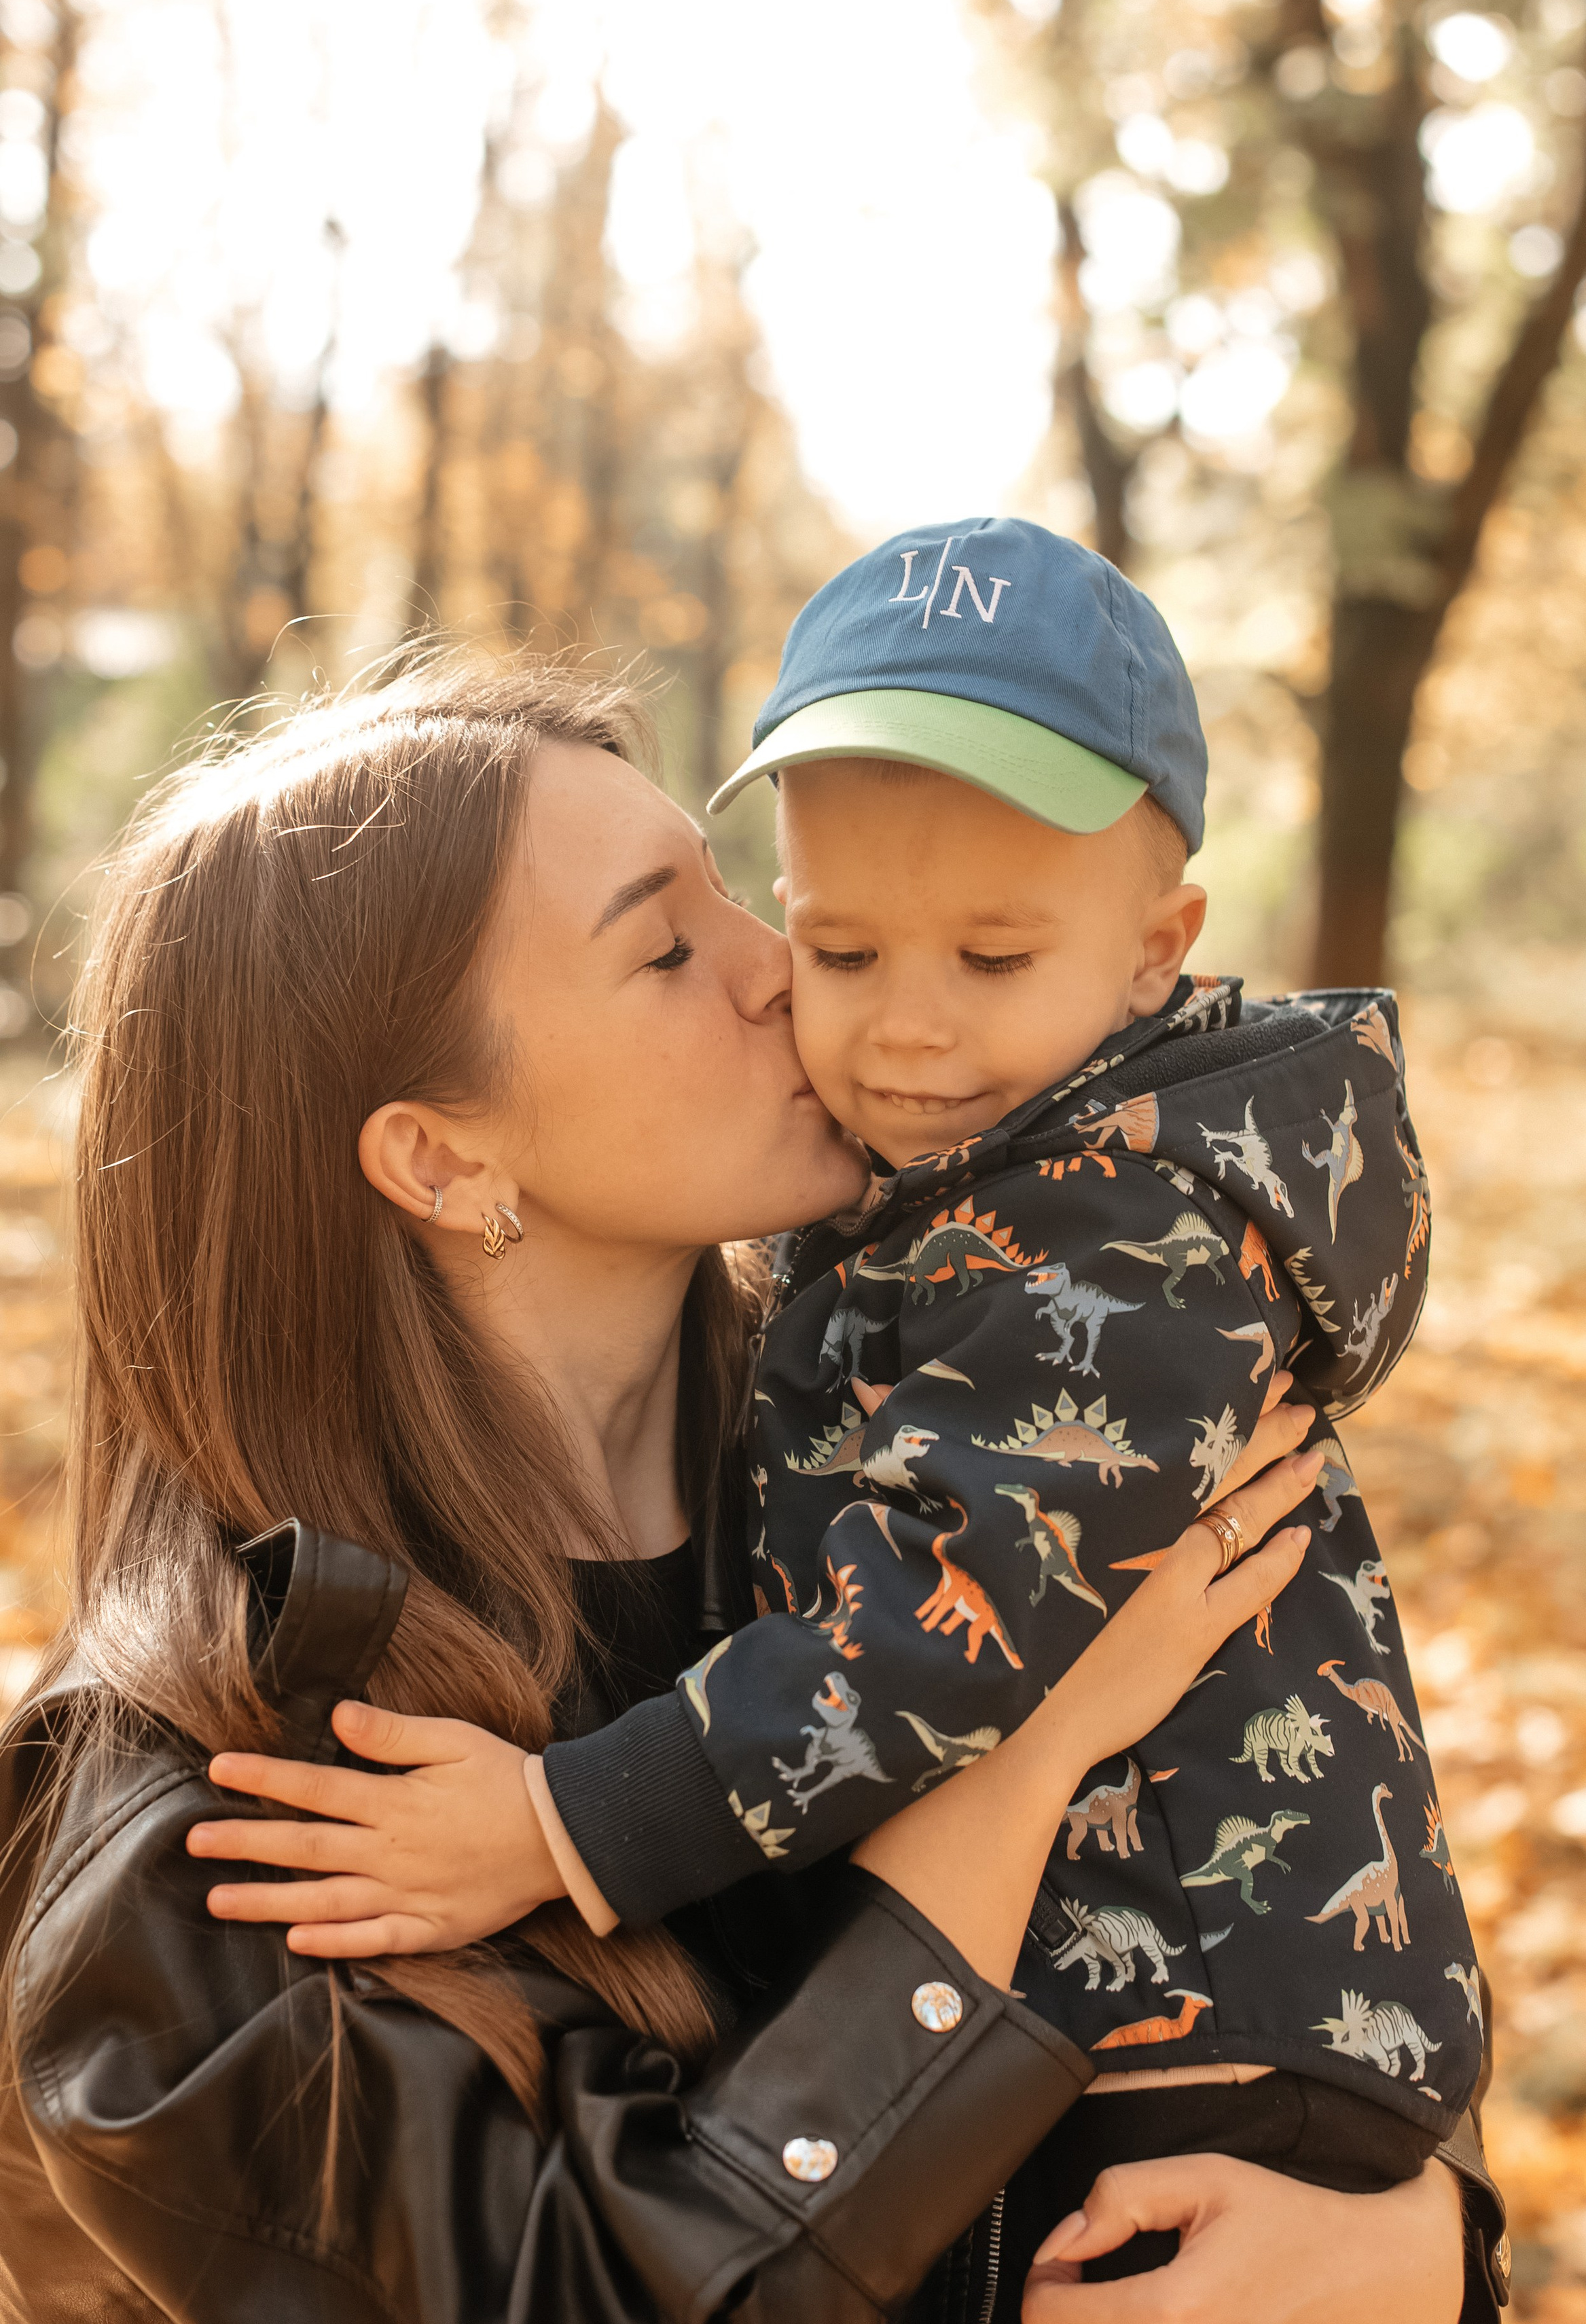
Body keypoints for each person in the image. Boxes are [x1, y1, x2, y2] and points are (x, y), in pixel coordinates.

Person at [205, 532, 1483, 2297]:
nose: (864, 1014)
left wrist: (1420, 2246)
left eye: (989, 951)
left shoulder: (1112, 1238)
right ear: (440, 1150)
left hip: (1189, 2051)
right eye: (819, 936)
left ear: (1154, 953)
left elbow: (949, 1638)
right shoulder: (234, 1768)